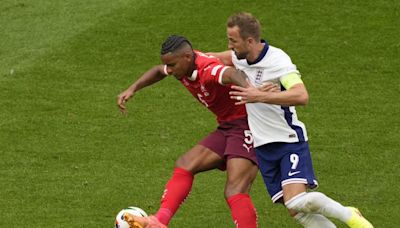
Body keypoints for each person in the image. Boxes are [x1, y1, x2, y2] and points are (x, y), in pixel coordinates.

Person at [209, 12, 373, 228]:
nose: (229, 46)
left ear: (249, 41)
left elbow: (301, 95)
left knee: (296, 200)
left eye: (233, 41)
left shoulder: (278, 62)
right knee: (297, 211)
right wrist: (188, 56)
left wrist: (260, 96)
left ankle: (348, 214)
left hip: (287, 140)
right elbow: (218, 57)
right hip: (263, 146)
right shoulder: (240, 56)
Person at [117, 35, 259, 228]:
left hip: (249, 124)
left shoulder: (207, 69)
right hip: (229, 126)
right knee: (185, 164)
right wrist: (132, 88)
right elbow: (159, 71)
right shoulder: (182, 67)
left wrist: (252, 91)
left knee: (235, 189)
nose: (171, 70)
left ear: (186, 56)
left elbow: (233, 74)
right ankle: (159, 221)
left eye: (173, 65)